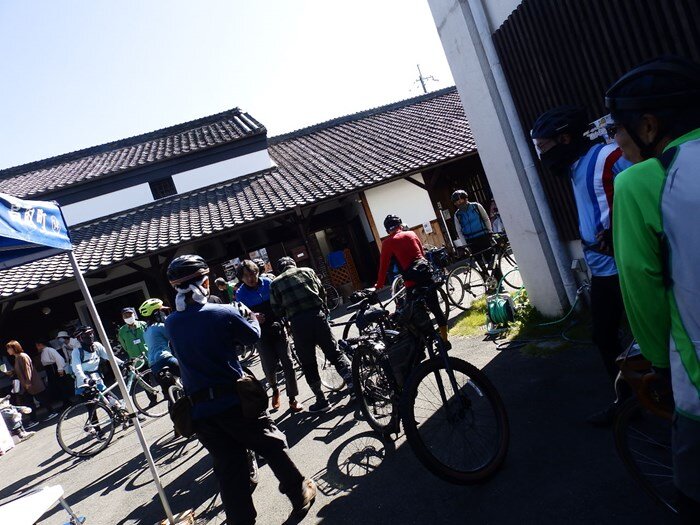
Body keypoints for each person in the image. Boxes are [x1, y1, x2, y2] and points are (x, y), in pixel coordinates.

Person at [607, 55, 700, 521]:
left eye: (618, 131)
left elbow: (641, 286)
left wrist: (660, 365)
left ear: (648, 125)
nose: (617, 144)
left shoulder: (640, 182)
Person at [164, 254, 315, 524]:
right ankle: (299, 492)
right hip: (234, 402)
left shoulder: (171, 323)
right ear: (205, 282)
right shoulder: (223, 312)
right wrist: (249, 316)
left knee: (230, 471)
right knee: (271, 446)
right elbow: (251, 336)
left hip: (201, 412)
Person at [531, 105, 632, 425]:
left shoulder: (607, 156)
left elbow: (645, 191)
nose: (542, 155)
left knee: (649, 334)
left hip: (626, 266)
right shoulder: (574, 167)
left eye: (544, 147)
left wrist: (622, 230)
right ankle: (628, 403)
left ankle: (669, 401)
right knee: (603, 336)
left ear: (565, 139)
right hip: (601, 270)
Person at [270, 256, 353, 413]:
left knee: (308, 362)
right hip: (317, 317)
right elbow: (322, 292)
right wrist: (324, 310)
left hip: (298, 324)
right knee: (334, 353)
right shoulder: (308, 271)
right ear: (293, 264)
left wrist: (286, 315)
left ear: (280, 269)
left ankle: (321, 399)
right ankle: (353, 387)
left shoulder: (275, 283)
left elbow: (277, 309)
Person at [235, 260, 302, 413]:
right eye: (246, 276)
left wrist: (287, 321)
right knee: (269, 366)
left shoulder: (269, 283)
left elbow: (282, 302)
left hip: (278, 327)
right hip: (261, 334)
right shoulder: (240, 294)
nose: (250, 278)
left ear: (257, 272)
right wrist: (253, 316)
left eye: (253, 274)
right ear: (241, 278)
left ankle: (292, 398)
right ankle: (274, 389)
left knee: (288, 363)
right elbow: (240, 316)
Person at [375, 214, 450, 344]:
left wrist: (379, 285)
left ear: (387, 230)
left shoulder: (387, 243)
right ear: (400, 225)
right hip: (426, 276)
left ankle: (427, 340)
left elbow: (383, 266)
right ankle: (445, 340)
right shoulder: (411, 234)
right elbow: (422, 254)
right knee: (436, 309)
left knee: (411, 314)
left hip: (411, 283)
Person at [451, 190, 503, 286]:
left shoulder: (476, 206)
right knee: (480, 264)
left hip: (483, 236)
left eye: (460, 200)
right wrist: (465, 244)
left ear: (465, 199)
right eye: (457, 202)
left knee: (491, 261)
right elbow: (459, 231)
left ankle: (500, 283)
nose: (459, 203)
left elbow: (486, 218)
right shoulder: (457, 215)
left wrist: (489, 231)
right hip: (471, 241)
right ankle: (489, 285)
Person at [3, 340, 57, 427]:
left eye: (9, 348)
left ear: (14, 348)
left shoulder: (22, 356)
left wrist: (28, 382)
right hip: (27, 384)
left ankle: (50, 413)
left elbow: (27, 370)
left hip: (31, 383)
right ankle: (35, 419)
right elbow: (20, 370)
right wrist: (12, 372)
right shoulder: (18, 357)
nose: (7, 350)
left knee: (39, 399)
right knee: (32, 401)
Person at [70, 326, 123, 407]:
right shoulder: (76, 352)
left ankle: (122, 412)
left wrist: (122, 363)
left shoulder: (97, 346)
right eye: (86, 335)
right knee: (92, 408)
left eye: (91, 333)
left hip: (97, 380)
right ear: (80, 338)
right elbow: (77, 369)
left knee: (115, 402)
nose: (90, 336)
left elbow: (110, 357)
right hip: (84, 384)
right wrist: (86, 380)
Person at [138, 298, 180, 393]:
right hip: (166, 359)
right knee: (189, 374)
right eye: (162, 311)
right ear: (157, 313)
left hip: (153, 365)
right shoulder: (160, 326)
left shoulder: (145, 331)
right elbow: (175, 337)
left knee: (167, 391)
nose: (164, 313)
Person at [36, 341, 70, 410]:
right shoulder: (44, 352)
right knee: (57, 387)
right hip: (50, 370)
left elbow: (59, 359)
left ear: (41, 344)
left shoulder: (50, 350)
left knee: (61, 386)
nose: (36, 348)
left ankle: (67, 402)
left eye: (37, 346)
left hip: (54, 369)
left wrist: (60, 369)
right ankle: (65, 401)